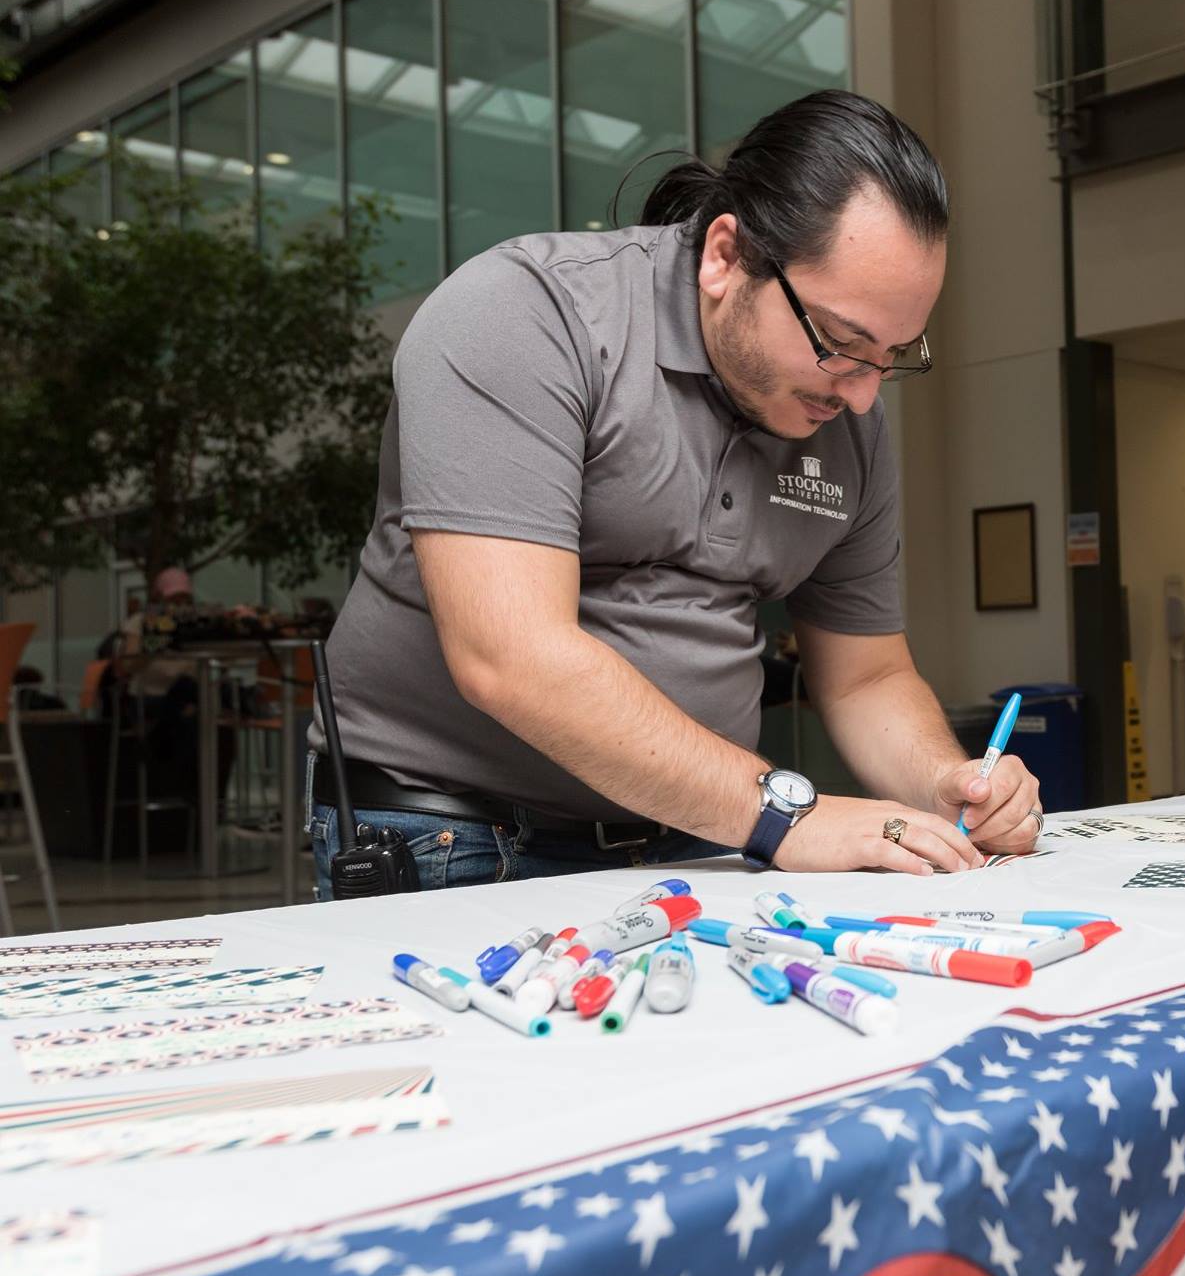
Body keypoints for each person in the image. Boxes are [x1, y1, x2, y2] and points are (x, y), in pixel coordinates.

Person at [310, 91, 1042, 897]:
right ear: (726, 256)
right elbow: (510, 657)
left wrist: (942, 778)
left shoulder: (846, 421)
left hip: (695, 836)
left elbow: (864, 675)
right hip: (452, 831)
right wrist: (787, 816)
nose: (864, 396)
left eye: (894, 354)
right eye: (839, 343)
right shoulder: (526, 316)